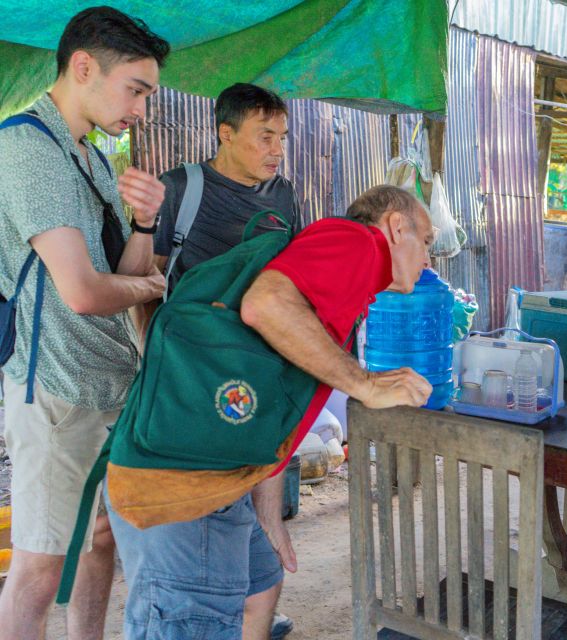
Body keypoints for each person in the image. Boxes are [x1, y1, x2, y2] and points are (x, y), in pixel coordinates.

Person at [107, 184, 434, 639]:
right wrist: (364, 384)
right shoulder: (360, 243)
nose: (429, 260)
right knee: (194, 622)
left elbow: (274, 395)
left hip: (217, 472)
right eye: (428, 242)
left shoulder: (345, 267)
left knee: (262, 584)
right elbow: (265, 305)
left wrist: (268, 513)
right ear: (397, 227)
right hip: (187, 481)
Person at [0, 7, 169, 640]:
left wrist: (146, 225)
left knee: (100, 542)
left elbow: (118, 277)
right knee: (41, 567)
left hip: (104, 387)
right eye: (136, 90)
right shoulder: (25, 147)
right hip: (54, 391)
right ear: (83, 67)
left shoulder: (92, 158)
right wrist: (152, 284)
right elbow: (83, 291)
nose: (141, 110)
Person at [137, 82, 303, 639]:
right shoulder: (181, 188)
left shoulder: (284, 196)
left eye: (281, 136)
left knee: (254, 531)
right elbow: (145, 279)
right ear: (224, 133)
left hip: (256, 373)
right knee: (199, 526)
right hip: (190, 378)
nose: (276, 148)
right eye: (264, 136)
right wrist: (152, 360)